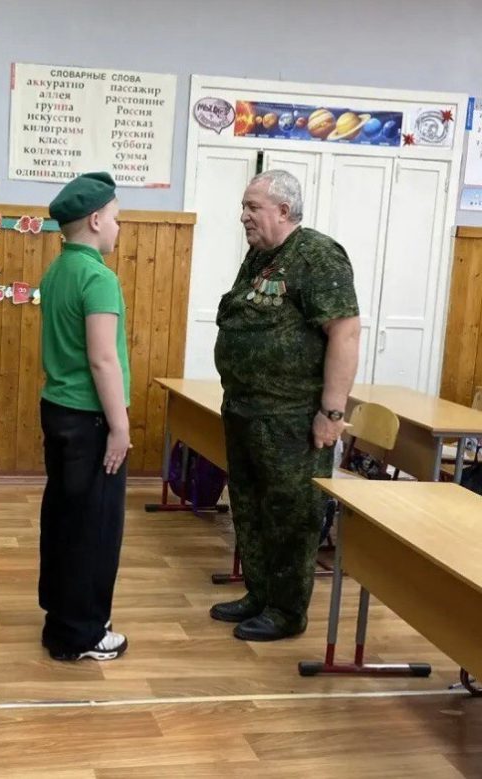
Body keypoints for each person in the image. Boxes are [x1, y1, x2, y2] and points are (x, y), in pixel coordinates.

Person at [212, 169, 360, 642]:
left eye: (252, 207)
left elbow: (345, 333)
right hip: (245, 410)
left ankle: (287, 610)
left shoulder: (317, 255)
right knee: (249, 507)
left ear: (283, 209)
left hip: (291, 418)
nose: (243, 216)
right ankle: (260, 594)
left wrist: (332, 413)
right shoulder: (259, 257)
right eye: (244, 206)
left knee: (291, 514)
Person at [37, 172, 130, 662]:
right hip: (90, 419)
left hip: (58, 411)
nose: (118, 227)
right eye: (115, 218)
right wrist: (120, 425)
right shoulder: (98, 278)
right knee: (95, 527)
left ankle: (63, 616)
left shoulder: (57, 270)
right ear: (95, 220)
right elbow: (103, 359)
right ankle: (82, 632)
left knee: (64, 518)